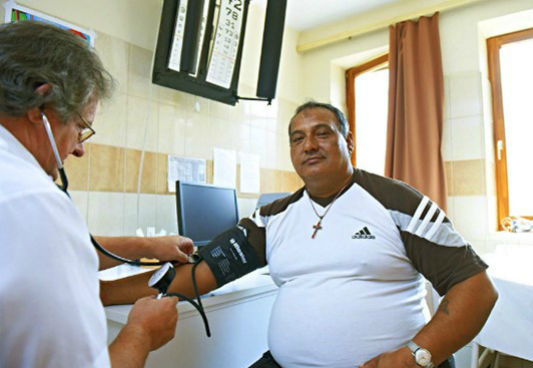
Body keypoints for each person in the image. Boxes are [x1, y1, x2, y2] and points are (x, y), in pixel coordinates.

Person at [102, 106, 498, 366]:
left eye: (322, 133)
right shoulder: (271, 218)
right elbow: (191, 278)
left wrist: (414, 357)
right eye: (297, 137)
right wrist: (98, 293)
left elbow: (477, 290)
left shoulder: (398, 203)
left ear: (348, 142)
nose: (308, 144)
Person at [0, 21, 191, 367]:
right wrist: (143, 333)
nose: (79, 150)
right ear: (40, 104)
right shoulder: (33, 201)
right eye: (80, 127)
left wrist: (148, 246)